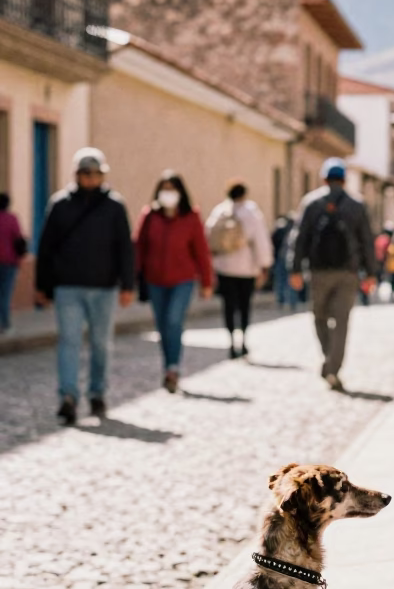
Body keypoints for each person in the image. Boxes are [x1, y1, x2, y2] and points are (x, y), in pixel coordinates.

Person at [35, 148, 135, 425]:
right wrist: (42, 285)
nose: (91, 178)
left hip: (104, 287)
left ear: (102, 175)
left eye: (96, 173)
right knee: (69, 341)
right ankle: (68, 396)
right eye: (85, 173)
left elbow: (125, 248)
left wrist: (128, 284)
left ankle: (97, 393)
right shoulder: (60, 204)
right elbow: (46, 247)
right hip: (68, 286)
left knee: (101, 344)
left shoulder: (115, 206)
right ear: (77, 175)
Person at [288, 158, 376, 392]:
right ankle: (333, 366)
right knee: (342, 321)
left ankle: (329, 359)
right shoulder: (356, 205)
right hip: (348, 272)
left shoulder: (311, 202)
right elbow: (367, 241)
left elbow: (299, 238)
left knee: (319, 317)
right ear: (344, 179)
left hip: (318, 271)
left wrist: (295, 268)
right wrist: (371, 273)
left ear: (324, 178)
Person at [135, 172, 213, 392]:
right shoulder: (150, 216)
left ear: (180, 192)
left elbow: (201, 251)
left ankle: (174, 367)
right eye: (164, 188)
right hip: (155, 280)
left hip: (182, 280)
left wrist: (207, 282)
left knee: (173, 321)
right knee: (162, 326)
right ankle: (168, 366)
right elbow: (139, 247)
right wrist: (132, 277)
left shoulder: (191, 217)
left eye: (172, 188)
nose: (168, 193)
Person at [206, 182, 273, 360]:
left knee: (228, 306)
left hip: (224, 267)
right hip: (246, 269)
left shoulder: (220, 211)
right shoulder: (251, 213)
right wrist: (264, 265)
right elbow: (261, 241)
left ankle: (230, 342)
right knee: (244, 306)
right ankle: (242, 340)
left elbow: (210, 238)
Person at [0, 193, 26, 333]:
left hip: (8, 261)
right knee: (5, 294)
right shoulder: (12, 219)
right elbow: (18, 239)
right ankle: (5, 323)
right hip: (9, 262)